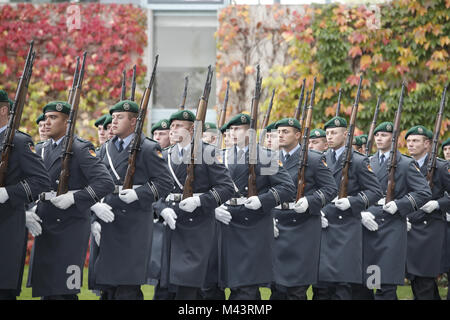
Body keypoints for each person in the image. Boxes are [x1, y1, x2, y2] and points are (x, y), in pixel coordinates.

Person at [27, 101, 114, 300]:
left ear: (67, 122)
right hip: (44, 223)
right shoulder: (40, 149)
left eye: (53, 118)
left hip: (70, 226)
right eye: (45, 117)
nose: (46, 122)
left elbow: (105, 182)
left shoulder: (80, 148)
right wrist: (30, 207)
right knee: (46, 291)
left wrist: (74, 197)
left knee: (64, 291)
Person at [89, 100, 173, 300]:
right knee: (107, 288)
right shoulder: (104, 149)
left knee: (128, 288)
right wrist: (94, 216)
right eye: (114, 117)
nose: (113, 121)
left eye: (120, 117)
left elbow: (164, 182)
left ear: (134, 121)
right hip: (107, 219)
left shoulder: (147, 148)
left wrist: (139, 193)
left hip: (134, 223)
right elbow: (92, 184)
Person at [153, 109, 234, 300]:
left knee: (188, 287)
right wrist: (161, 209)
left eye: (178, 126)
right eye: (171, 126)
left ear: (191, 130)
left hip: (197, 226)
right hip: (171, 226)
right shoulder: (164, 155)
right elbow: (154, 190)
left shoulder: (208, 152)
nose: (173, 130)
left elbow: (226, 188)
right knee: (167, 288)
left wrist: (200, 200)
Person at [216, 113, 295, 300]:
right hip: (225, 223)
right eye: (231, 130)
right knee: (225, 285)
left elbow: (286, 188)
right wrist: (213, 206)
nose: (233, 133)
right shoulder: (222, 156)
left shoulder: (265, 156)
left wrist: (263, 200)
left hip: (253, 225)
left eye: (238, 129)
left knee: (247, 287)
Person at [351, 122, 431, 300]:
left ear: (393, 139)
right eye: (377, 135)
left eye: (384, 135)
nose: (379, 138)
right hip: (367, 226)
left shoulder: (405, 163)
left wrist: (400, 204)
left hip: (390, 228)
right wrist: (360, 212)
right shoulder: (367, 161)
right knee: (364, 284)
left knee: (384, 285)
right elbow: (354, 191)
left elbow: (424, 192)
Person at [270, 118, 337, 300]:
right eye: (279, 132)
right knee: (276, 287)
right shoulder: (271, 159)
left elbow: (331, 189)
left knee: (296, 288)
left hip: (302, 226)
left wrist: (310, 201)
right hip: (276, 223)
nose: (281, 135)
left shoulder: (313, 159)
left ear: (298, 135)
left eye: (286, 131)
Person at [316, 116, 382, 300]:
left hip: (346, 228)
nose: (329, 137)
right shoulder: (321, 159)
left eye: (334, 133)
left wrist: (353, 202)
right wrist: (316, 207)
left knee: (342, 285)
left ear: (346, 134)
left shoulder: (359, 161)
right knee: (322, 286)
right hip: (324, 225)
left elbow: (375, 191)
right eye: (327, 133)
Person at [0, 90, 51, 300]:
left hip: (5, 227)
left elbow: (41, 181)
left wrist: (8, 192)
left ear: (3, 110)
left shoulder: (19, 142)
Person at [405, 125, 450, 300]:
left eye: (415, 141)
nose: (410, 144)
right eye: (408, 141)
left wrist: (438, 204)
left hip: (429, 230)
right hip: (409, 227)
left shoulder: (441, 167)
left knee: (424, 280)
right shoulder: (404, 165)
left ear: (427, 144)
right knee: (417, 281)